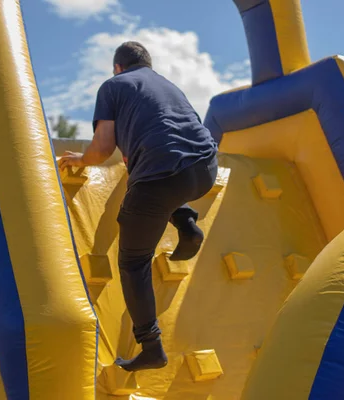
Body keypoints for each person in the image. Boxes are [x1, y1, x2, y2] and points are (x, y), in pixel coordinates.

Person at [58, 41, 218, 372]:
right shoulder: (167, 86)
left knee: (133, 261)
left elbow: (102, 148)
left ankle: (150, 346)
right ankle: (187, 224)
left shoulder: (113, 86)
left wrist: (81, 159)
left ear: (117, 67)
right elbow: (170, 141)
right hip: (205, 167)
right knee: (156, 178)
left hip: (163, 177)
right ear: (147, 63)